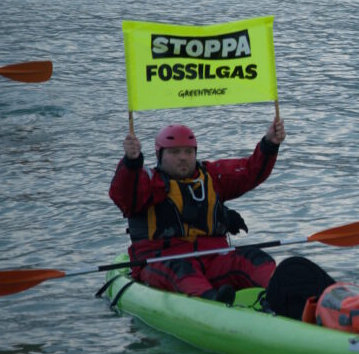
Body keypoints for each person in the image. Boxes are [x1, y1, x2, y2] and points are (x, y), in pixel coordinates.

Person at [109, 119, 286, 305]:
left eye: (188, 151)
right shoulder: (146, 182)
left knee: (254, 258)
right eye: (174, 152)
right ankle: (212, 304)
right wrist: (131, 162)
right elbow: (123, 194)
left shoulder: (212, 176)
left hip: (213, 258)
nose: (183, 157)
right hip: (164, 261)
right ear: (159, 155)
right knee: (183, 271)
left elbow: (250, 171)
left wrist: (270, 144)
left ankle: (284, 296)